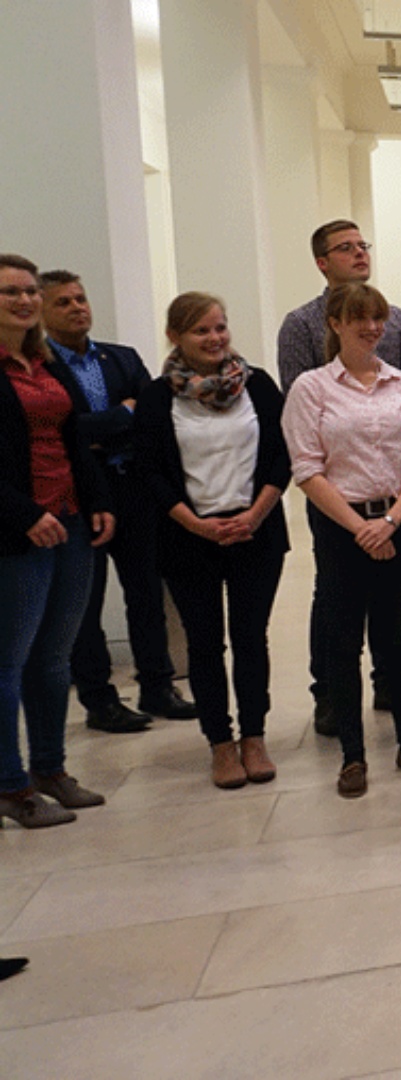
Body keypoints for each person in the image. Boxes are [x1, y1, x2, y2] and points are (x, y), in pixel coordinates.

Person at [282, 283, 401, 798]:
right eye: (360, 318)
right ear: (335, 323)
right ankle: (352, 757)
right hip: (341, 527)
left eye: (379, 318)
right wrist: (361, 528)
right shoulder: (312, 388)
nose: (372, 328)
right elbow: (306, 469)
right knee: (343, 639)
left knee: (399, 636)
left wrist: (391, 521)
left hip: (399, 521)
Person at [135, 292, 289, 790]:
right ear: (175, 337)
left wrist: (257, 513)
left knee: (250, 639)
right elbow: (151, 473)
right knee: (204, 644)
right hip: (188, 537)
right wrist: (196, 524)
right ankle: (220, 743)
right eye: (201, 330)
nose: (215, 338)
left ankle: (254, 737)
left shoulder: (258, 386)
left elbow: (282, 457)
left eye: (220, 327)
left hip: (256, 531)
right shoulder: (159, 397)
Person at [40, 270, 190, 731]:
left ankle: (158, 686)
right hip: (81, 495)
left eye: (80, 298)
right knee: (86, 604)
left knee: (146, 591)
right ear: (43, 313)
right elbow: (64, 432)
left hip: (134, 490)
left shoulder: (120, 357)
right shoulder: (41, 370)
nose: (77, 307)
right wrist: (115, 418)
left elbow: (150, 417)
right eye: (63, 302)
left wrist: (103, 428)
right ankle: (100, 699)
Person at [0, 253, 115, 828]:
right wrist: (24, 513)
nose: (23, 301)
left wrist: (97, 503)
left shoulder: (44, 360)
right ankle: (9, 784)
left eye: (28, 291)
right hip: (16, 532)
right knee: (9, 660)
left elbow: (74, 439)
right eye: (8, 293)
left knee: (53, 657)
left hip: (70, 520)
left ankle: (51, 768)